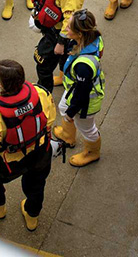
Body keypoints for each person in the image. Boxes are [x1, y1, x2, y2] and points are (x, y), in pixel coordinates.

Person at [0, 60, 56, 231]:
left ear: (0, 83)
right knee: (36, 186)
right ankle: (32, 216)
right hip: (41, 152)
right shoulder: (39, 93)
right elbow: (50, 120)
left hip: (11, 163)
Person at [52, 9, 105, 167]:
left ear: (80, 33)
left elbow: (82, 95)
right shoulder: (93, 37)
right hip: (73, 90)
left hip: (86, 103)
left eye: (69, 27)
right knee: (62, 106)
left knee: (87, 128)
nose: (65, 28)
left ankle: (92, 152)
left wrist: (70, 113)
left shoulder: (83, 65)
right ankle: (68, 135)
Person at [31, 0, 85, 92]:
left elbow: (70, 21)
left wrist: (61, 43)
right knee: (63, 58)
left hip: (60, 33)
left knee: (43, 65)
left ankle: (44, 95)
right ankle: (62, 76)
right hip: (52, 27)